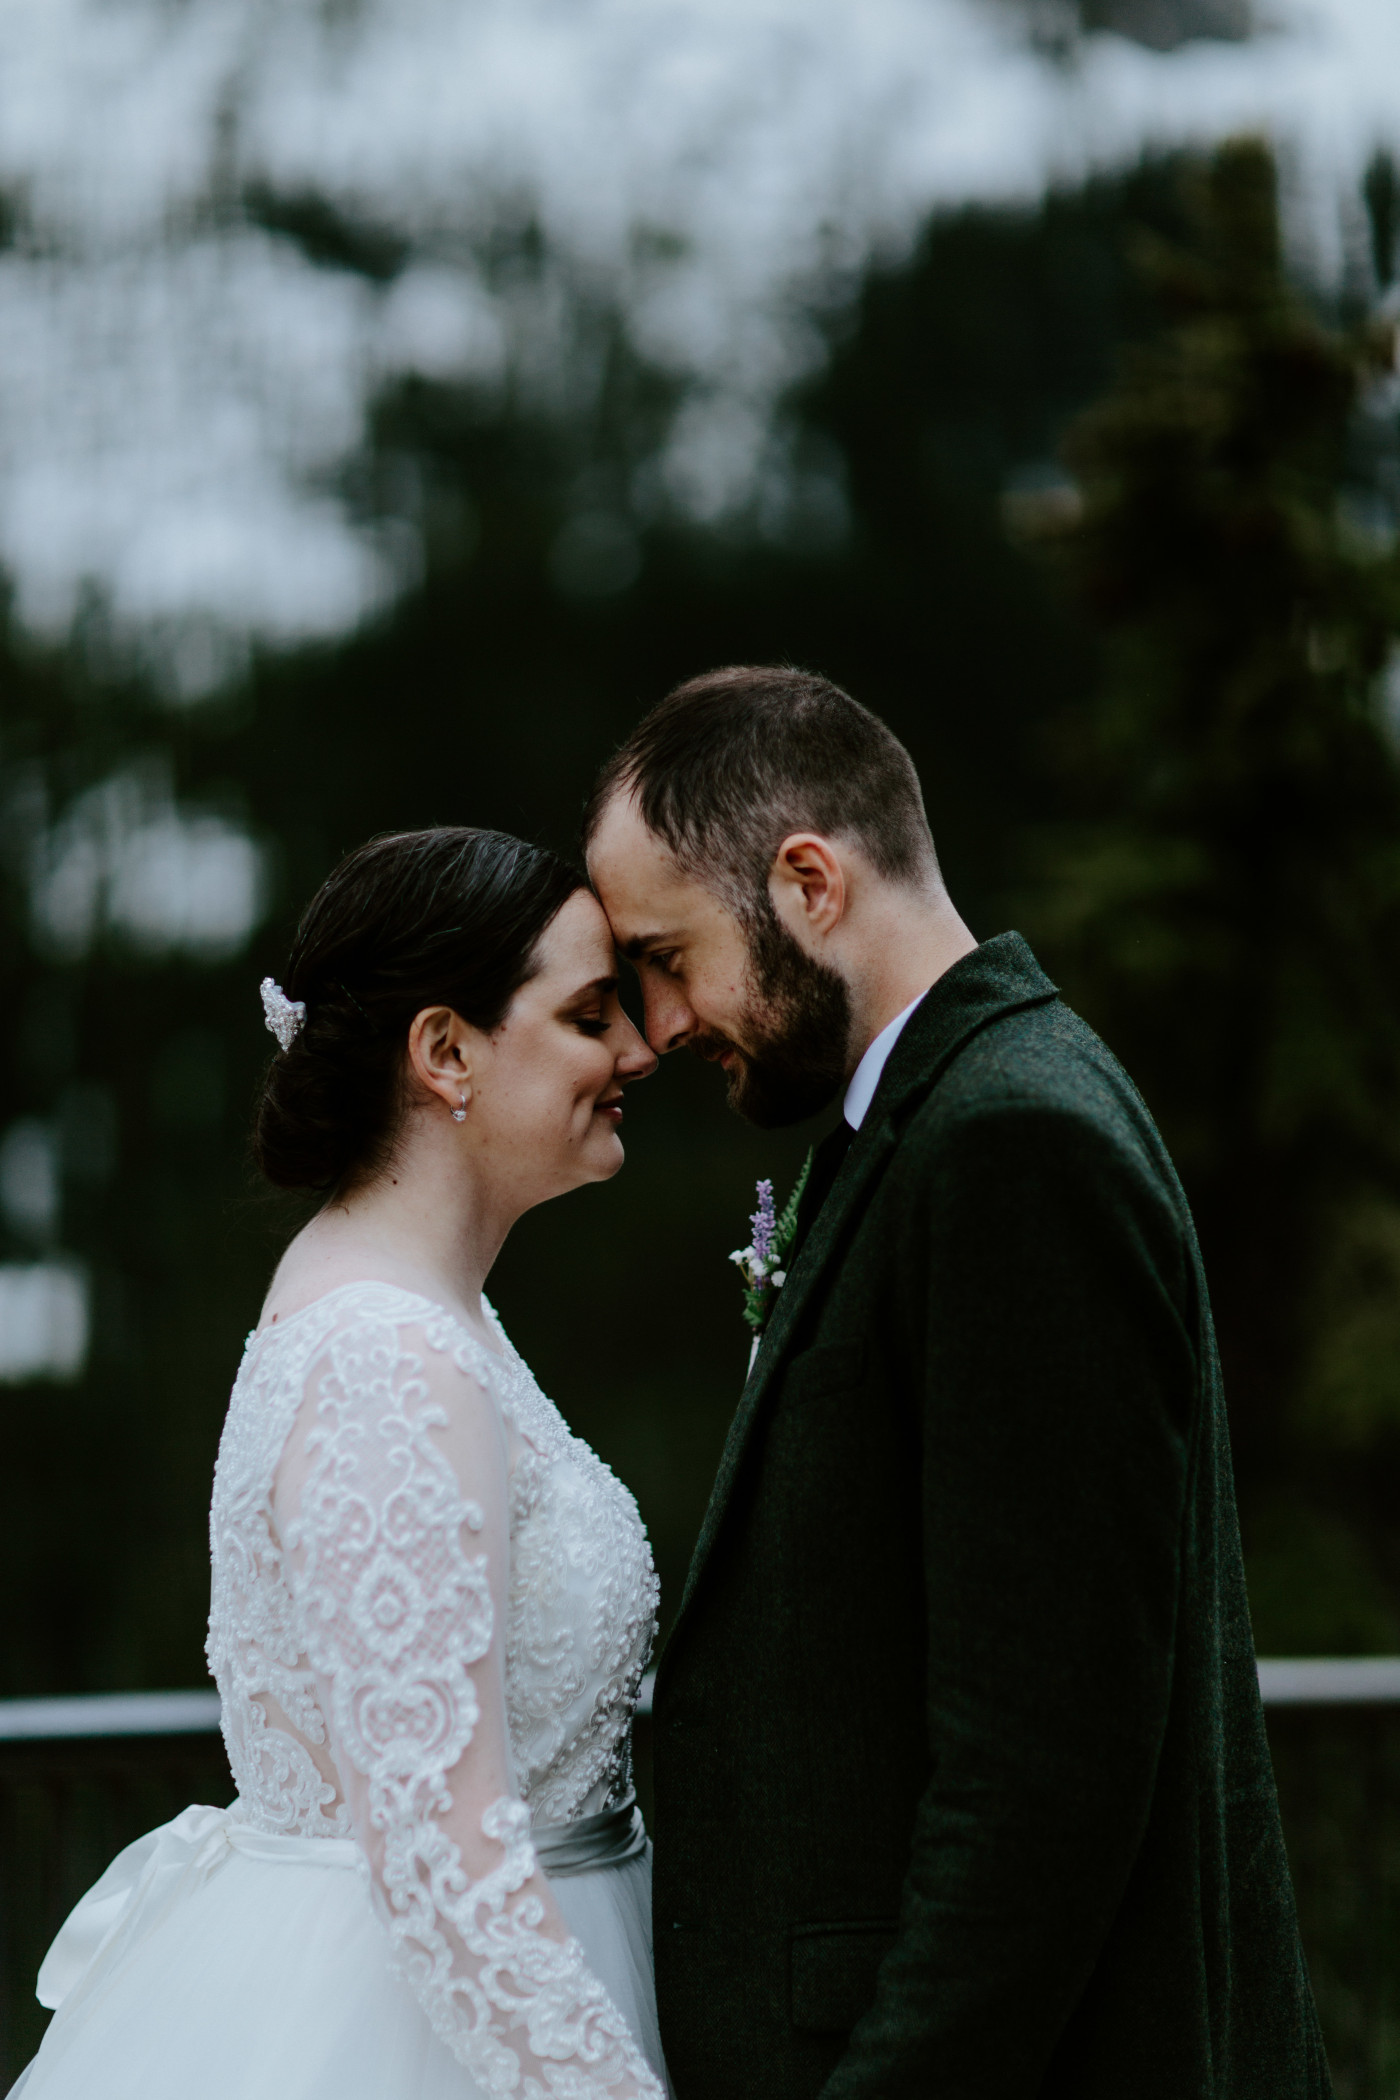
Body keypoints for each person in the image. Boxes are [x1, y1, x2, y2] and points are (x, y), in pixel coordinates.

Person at [584, 664, 1332, 2100]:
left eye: (668, 957)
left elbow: (1039, 1786)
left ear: (807, 882)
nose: (660, 1025)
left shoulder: (1012, 1146)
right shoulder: (933, 1125)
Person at [14, 827, 668, 2100]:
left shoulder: (431, 1312)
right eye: (591, 1014)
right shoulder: (381, 1353)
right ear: (445, 1051)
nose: (637, 1050)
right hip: (401, 2031)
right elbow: (438, 1852)